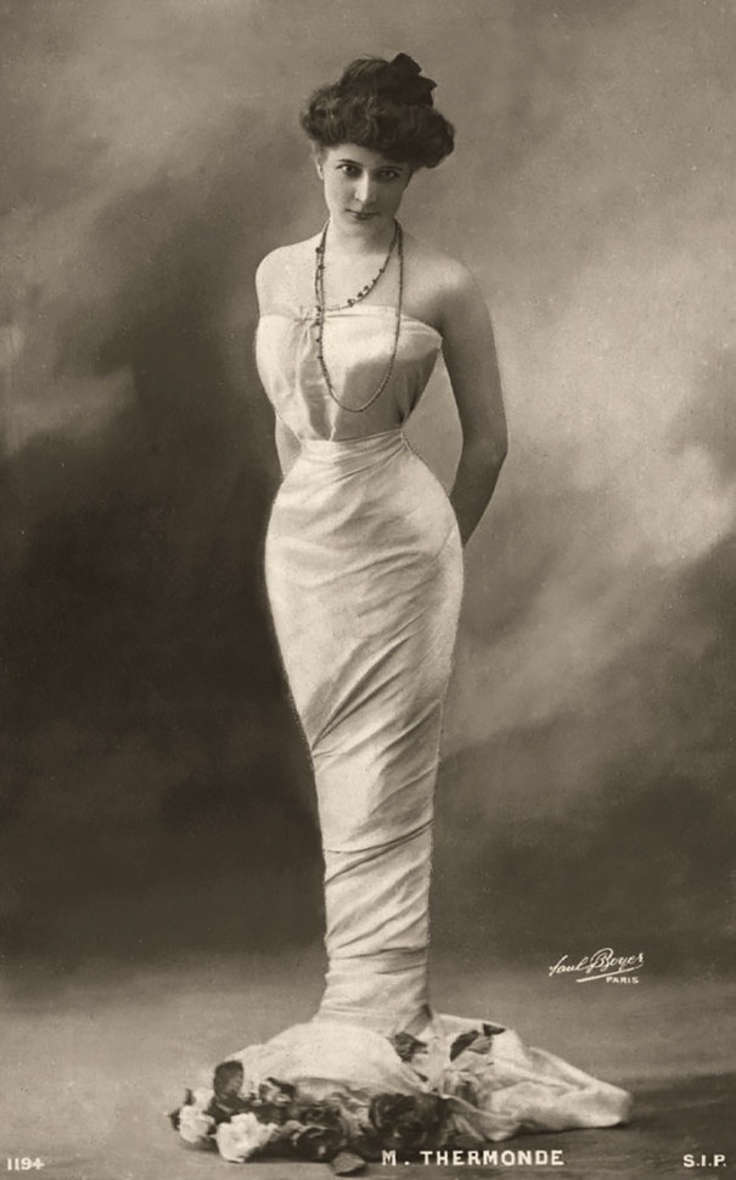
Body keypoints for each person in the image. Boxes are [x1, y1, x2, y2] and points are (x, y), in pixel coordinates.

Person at [170, 54, 632, 1164]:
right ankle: (357, 1007)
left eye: (387, 174)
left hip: (405, 543)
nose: (365, 190)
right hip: (305, 547)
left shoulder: (446, 285)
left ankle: (375, 1014)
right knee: (338, 769)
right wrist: (308, 507)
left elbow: (491, 443)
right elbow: (289, 418)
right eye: (348, 168)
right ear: (318, 162)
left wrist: (438, 554)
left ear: (413, 177)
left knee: (386, 779)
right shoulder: (277, 272)